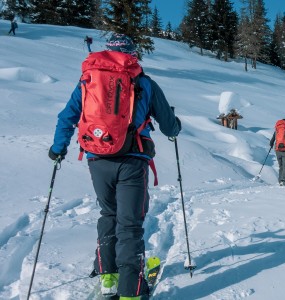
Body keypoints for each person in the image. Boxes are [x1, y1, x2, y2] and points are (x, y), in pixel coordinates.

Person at [48, 33, 181, 300]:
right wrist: (174, 127)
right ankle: (130, 290)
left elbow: (67, 116)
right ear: (132, 54)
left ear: (107, 51)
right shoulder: (144, 82)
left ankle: (108, 278)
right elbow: (168, 124)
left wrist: (58, 148)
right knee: (129, 224)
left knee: (109, 215)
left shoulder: (88, 80)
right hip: (133, 160)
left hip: (97, 159)